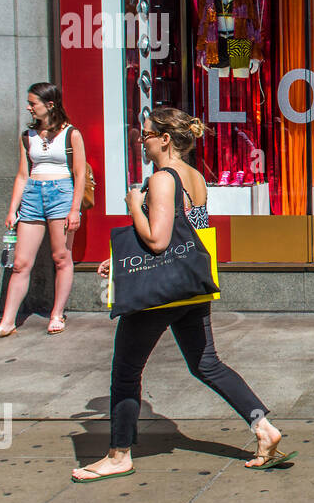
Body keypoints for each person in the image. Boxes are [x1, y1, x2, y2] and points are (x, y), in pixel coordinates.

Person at [71, 107, 294, 482]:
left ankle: (118, 454)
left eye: (144, 135)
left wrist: (131, 206)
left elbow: (158, 241)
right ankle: (263, 427)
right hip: (190, 285)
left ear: (164, 139)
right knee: (206, 364)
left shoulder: (162, 179)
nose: (140, 141)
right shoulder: (194, 177)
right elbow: (184, 234)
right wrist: (121, 260)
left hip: (159, 293)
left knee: (126, 372)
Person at [0, 83, 86, 343]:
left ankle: (57, 314)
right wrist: (12, 209)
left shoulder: (72, 134)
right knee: (21, 263)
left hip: (61, 193)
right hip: (33, 195)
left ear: (50, 105)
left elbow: (80, 174)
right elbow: (23, 174)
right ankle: (6, 322)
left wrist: (75, 209)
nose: (28, 107)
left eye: (33, 102)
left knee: (61, 258)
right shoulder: (28, 135)